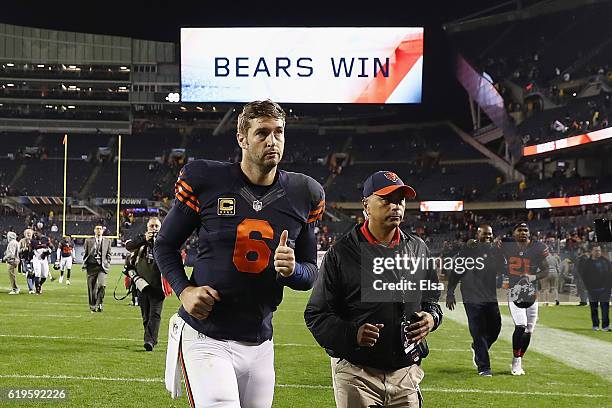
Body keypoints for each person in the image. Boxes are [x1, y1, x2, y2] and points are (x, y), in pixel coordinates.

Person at [154, 99, 324, 408]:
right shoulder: (206, 179)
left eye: (279, 132)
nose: (272, 141)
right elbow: (164, 244)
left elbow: (309, 273)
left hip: (260, 341)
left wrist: (292, 270)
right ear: (242, 138)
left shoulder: (304, 193)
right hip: (207, 336)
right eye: (262, 133)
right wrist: (185, 290)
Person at [304, 171, 442, 407]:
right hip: (358, 373)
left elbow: (431, 299)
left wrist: (432, 317)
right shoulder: (341, 254)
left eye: (400, 200)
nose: (395, 206)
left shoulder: (418, 248)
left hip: (405, 372)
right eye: (386, 199)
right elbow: (316, 315)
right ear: (366, 204)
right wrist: (352, 334)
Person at [446, 224, 504, 376]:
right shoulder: (468, 250)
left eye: (490, 234)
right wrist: (450, 292)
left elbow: (501, 268)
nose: (488, 237)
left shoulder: (493, 251)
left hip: (490, 296)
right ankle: (484, 367)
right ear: (477, 235)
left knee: (496, 328)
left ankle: (477, 348)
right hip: (471, 296)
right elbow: (456, 271)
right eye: (484, 234)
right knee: (477, 330)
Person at [502, 223, 549, 375]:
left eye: (526, 230)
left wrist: (533, 276)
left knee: (529, 330)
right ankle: (516, 362)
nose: (523, 232)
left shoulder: (538, 247)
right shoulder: (506, 246)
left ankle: (519, 359)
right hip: (515, 292)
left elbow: (546, 269)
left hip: (531, 293)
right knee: (520, 326)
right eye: (520, 230)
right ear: (514, 232)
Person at [125, 217, 167, 351]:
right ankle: (149, 337)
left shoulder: (165, 241)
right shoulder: (141, 240)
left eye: (156, 226)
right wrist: (144, 239)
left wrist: (156, 242)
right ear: (147, 227)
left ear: (160, 228)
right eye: (152, 226)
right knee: (145, 316)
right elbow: (129, 246)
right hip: (142, 285)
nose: (154, 229)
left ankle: (150, 341)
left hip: (157, 286)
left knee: (155, 314)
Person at [578, 245, 611, 331]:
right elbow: (584, 275)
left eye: (599, 251)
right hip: (592, 290)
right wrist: (587, 287)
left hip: (605, 289)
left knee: (605, 308)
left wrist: (609, 286)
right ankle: (595, 325)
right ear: (591, 252)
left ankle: (605, 326)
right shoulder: (587, 263)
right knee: (594, 309)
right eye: (596, 251)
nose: (598, 252)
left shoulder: (606, 261)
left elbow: (610, 273)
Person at [82, 225, 111, 312]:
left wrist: (107, 263)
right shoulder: (88, 240)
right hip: (91, 266)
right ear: (94, 230)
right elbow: (85, 253)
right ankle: (93, 306)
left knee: (102, 285)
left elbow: (109, 254)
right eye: (97, 229)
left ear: (102, 231)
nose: (99, 230)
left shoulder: (107, 241)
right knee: (91, 288)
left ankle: (100, 303)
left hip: (102, 267)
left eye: (100, 229)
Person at [30, 229, 52, 294]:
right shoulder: (32, 241)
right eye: (35, 234)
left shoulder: (45, 239)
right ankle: (37, 289)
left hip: (44, 259)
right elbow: (30, 251)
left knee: (45, 275)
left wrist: (46, 253)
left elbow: (52, 247)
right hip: (36, 258)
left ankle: (40, 284)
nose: (35, 235)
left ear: (40, 233)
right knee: (37, 274)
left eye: (37, 234)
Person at [18, 228, 35, 294]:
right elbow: (18, 250)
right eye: (27, 233)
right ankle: (31, 288)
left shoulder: (34, 241)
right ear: (25, 234)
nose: (28, 235)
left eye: (29, 233)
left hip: (33, 259)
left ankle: (32, 287)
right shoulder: (22, 241)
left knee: (34, 273)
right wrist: (23, 249)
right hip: (25, 259)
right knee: (29, 273)